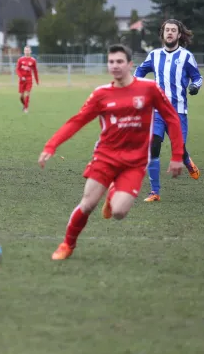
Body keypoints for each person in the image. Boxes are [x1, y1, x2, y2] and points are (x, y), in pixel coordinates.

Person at [38, 44, 184, 260]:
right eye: (111, 62)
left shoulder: (149, 89)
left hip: (134, 162)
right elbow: (77, 121)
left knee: (118, 213)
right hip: (105, 158)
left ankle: (114, 191)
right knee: (87, 204)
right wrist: (51, 145)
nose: (115, 66)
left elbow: (171, 117)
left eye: (119, 62)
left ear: (129, 64)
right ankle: (67, 245)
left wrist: (177, 156)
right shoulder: (101, 94)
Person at [135, 19, 203, 202]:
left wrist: (195, 87)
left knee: (178, 149)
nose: (170, 33)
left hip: (178, 112)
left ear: (179, 35)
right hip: (157, 112)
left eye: (174, 30)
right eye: (167, 30)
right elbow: (138, 73)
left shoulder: (186, 56)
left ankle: (187, 161)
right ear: (163, 34)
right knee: (153, 147)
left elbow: (197, 77)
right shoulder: (154, 55)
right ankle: (154, 192)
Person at [15, 46, 39, 113]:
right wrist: (21, 76)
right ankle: (24, 105)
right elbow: (17, 69)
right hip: (22, 80)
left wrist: (37, 80)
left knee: (27, 94)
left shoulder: (33, 60)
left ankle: (26, 109)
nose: (27, 52)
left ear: (30, 51)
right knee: (21, 96)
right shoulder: (20, 60)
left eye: (28, 50)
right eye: (26, 50)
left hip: (29, 79)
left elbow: (35, 71)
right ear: (24, 51)